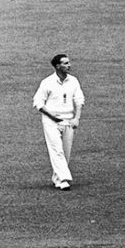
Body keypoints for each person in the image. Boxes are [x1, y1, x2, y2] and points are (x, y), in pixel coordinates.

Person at [32, 54, 85, 190]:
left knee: (66, 152)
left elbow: (79, 100)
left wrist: (76, 118)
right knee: (57, 150)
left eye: (69, 63)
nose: (69, 65)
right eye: (66, 63)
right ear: (57, 66)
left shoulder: (73, 81)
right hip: (51, 121)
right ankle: (64, 179)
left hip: (68, 120)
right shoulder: (47, 82)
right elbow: (38, 103)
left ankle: (57, 179)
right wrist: (52, 116)